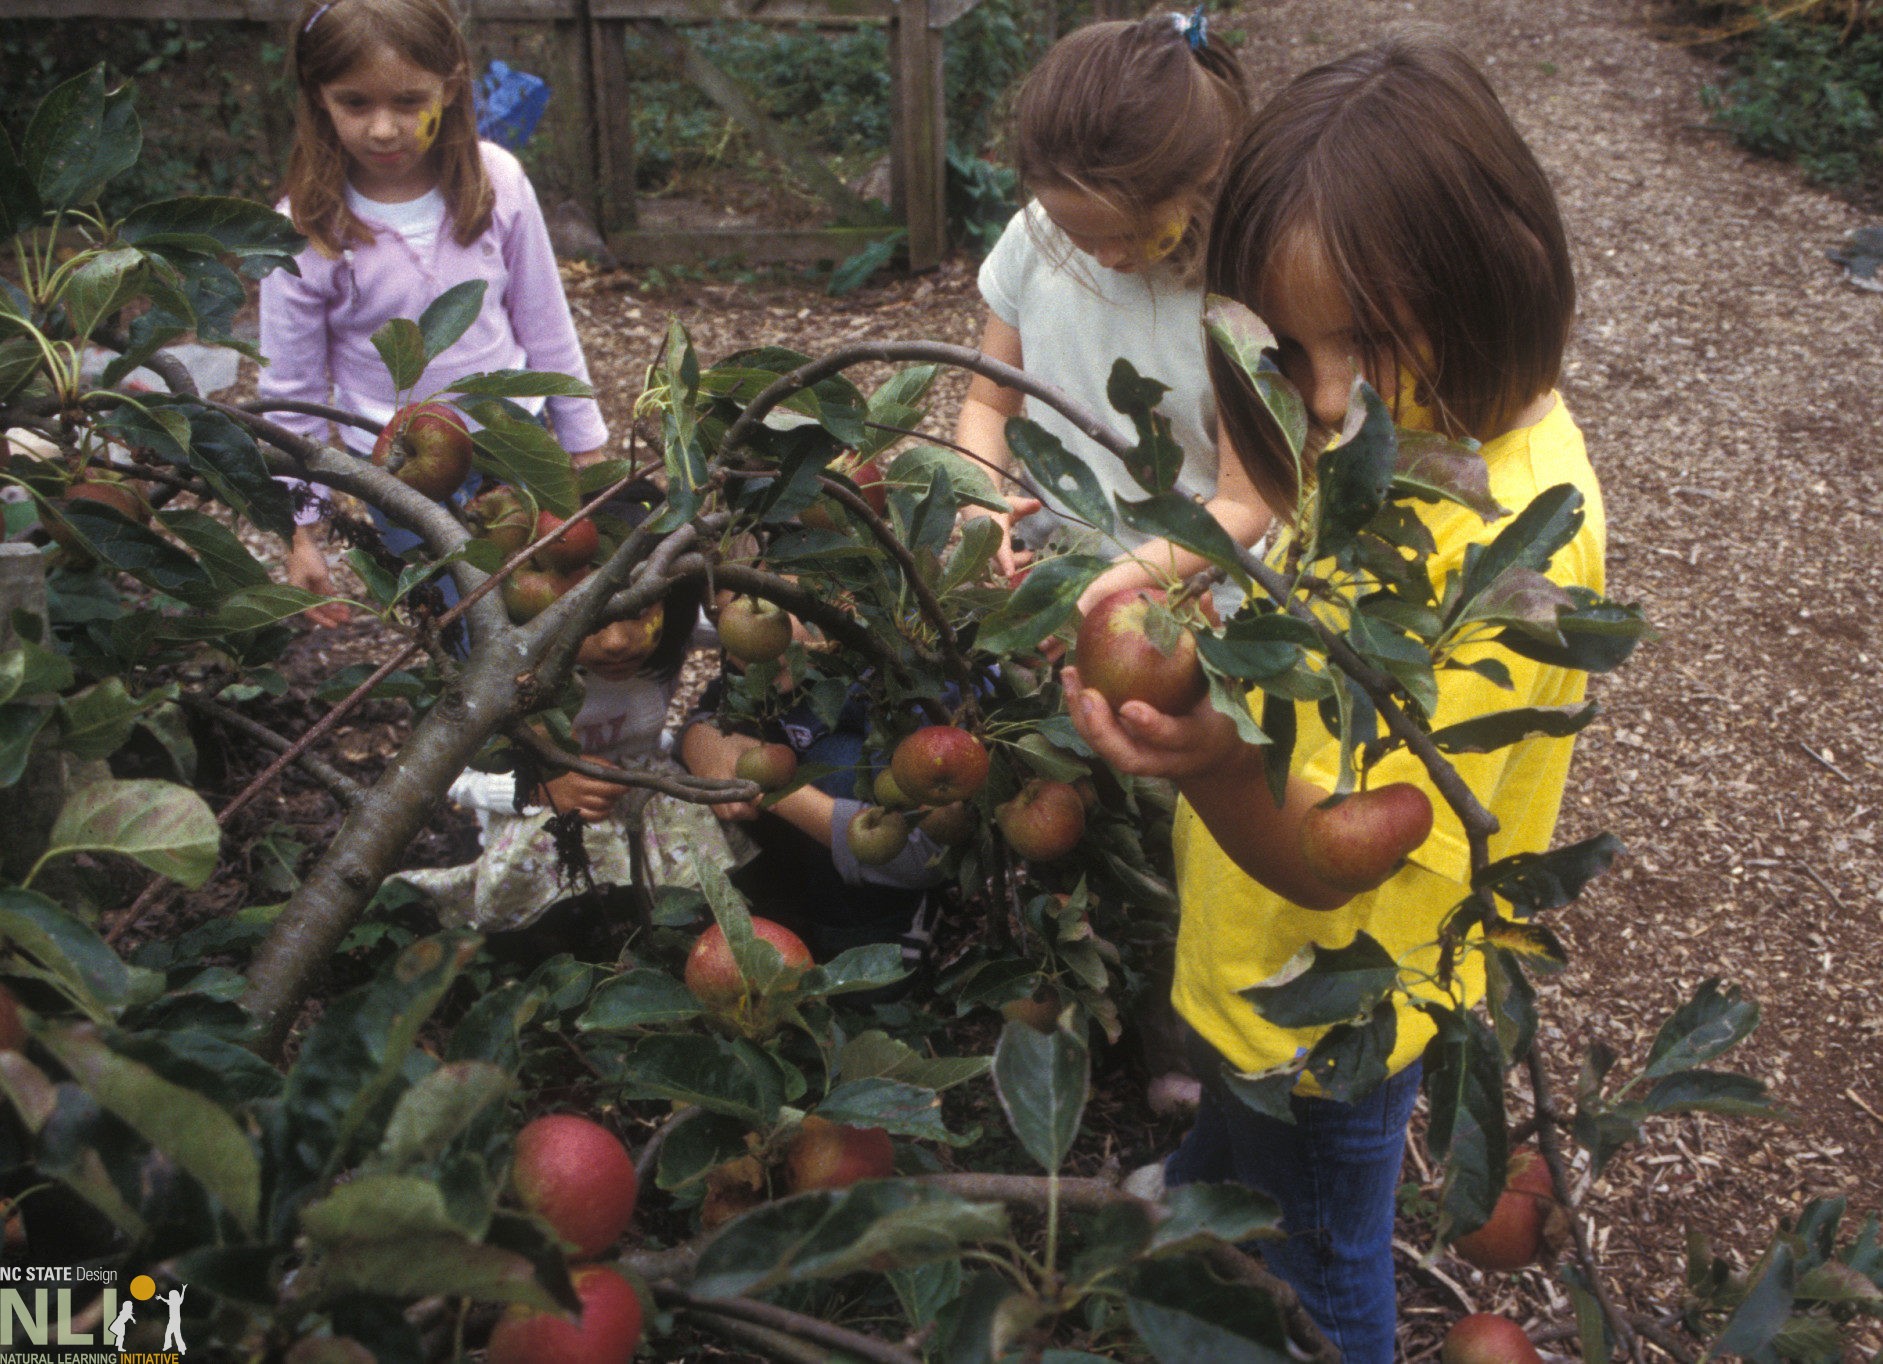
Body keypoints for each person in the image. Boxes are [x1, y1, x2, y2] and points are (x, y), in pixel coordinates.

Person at [1065, 32, 1596, 1364]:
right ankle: (1198, 1188)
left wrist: (1205, 766)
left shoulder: (1513, 552)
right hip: (1248, 949)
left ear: (1495, 280)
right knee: (1243, 1107)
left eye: (1354, 343)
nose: (1316, 395)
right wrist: (1158, 563)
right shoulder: (1387, 420)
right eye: (1283, 350)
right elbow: (1264, 497)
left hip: (1342, 996)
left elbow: (1330, 859)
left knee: (1325, 1257)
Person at [260, 0, 608, 626]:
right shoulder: (306, 227)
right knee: (460, 621)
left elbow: (547, 325)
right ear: (318, 97)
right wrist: (300, 530)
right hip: (398, 475)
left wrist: (584, 445)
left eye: (408, 101)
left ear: (450, 86)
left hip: (516, 442)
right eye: (355, 102)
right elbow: (292, 390)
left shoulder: (495, 183)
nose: (384, 129)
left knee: (555, 605)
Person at [954, 11, 1271, 613]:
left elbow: (1244, 506)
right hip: (1046, 570)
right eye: (1076, 231)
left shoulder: (1236, 302)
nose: (1104, 255)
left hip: (1185, 602)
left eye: (1134, 231)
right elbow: (987, 403)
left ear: (1209, 168)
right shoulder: (1033, 241)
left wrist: (1104, 591)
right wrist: (981, 504)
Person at [397, 487, 744, 938]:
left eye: (639, 610)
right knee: (569, 908)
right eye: (590, 618)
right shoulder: (509, 676)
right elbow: (450, 776)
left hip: (648, 796)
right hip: (547, 808)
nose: (617, 641)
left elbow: (760, 633)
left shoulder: (672, 633)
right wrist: (536, 790)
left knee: (700, 888)